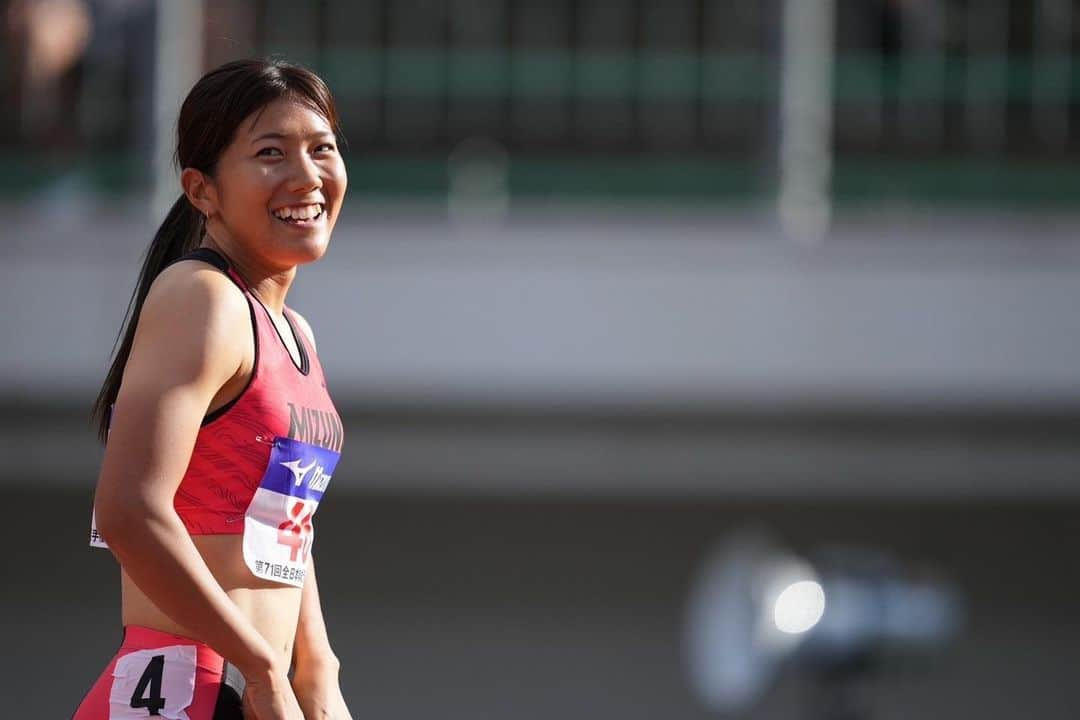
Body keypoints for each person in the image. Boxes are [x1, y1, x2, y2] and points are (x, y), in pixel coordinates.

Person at [73, 58, 351, 720]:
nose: (307, 176)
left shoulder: (294, 332)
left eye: (322, 149)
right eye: (270, 153)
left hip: (254, 688)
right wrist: (261, 668)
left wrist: (316, 675)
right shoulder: (202, 297)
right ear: (202, 190)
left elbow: (285, 530)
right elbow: (128, 512)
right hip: (187, 689)